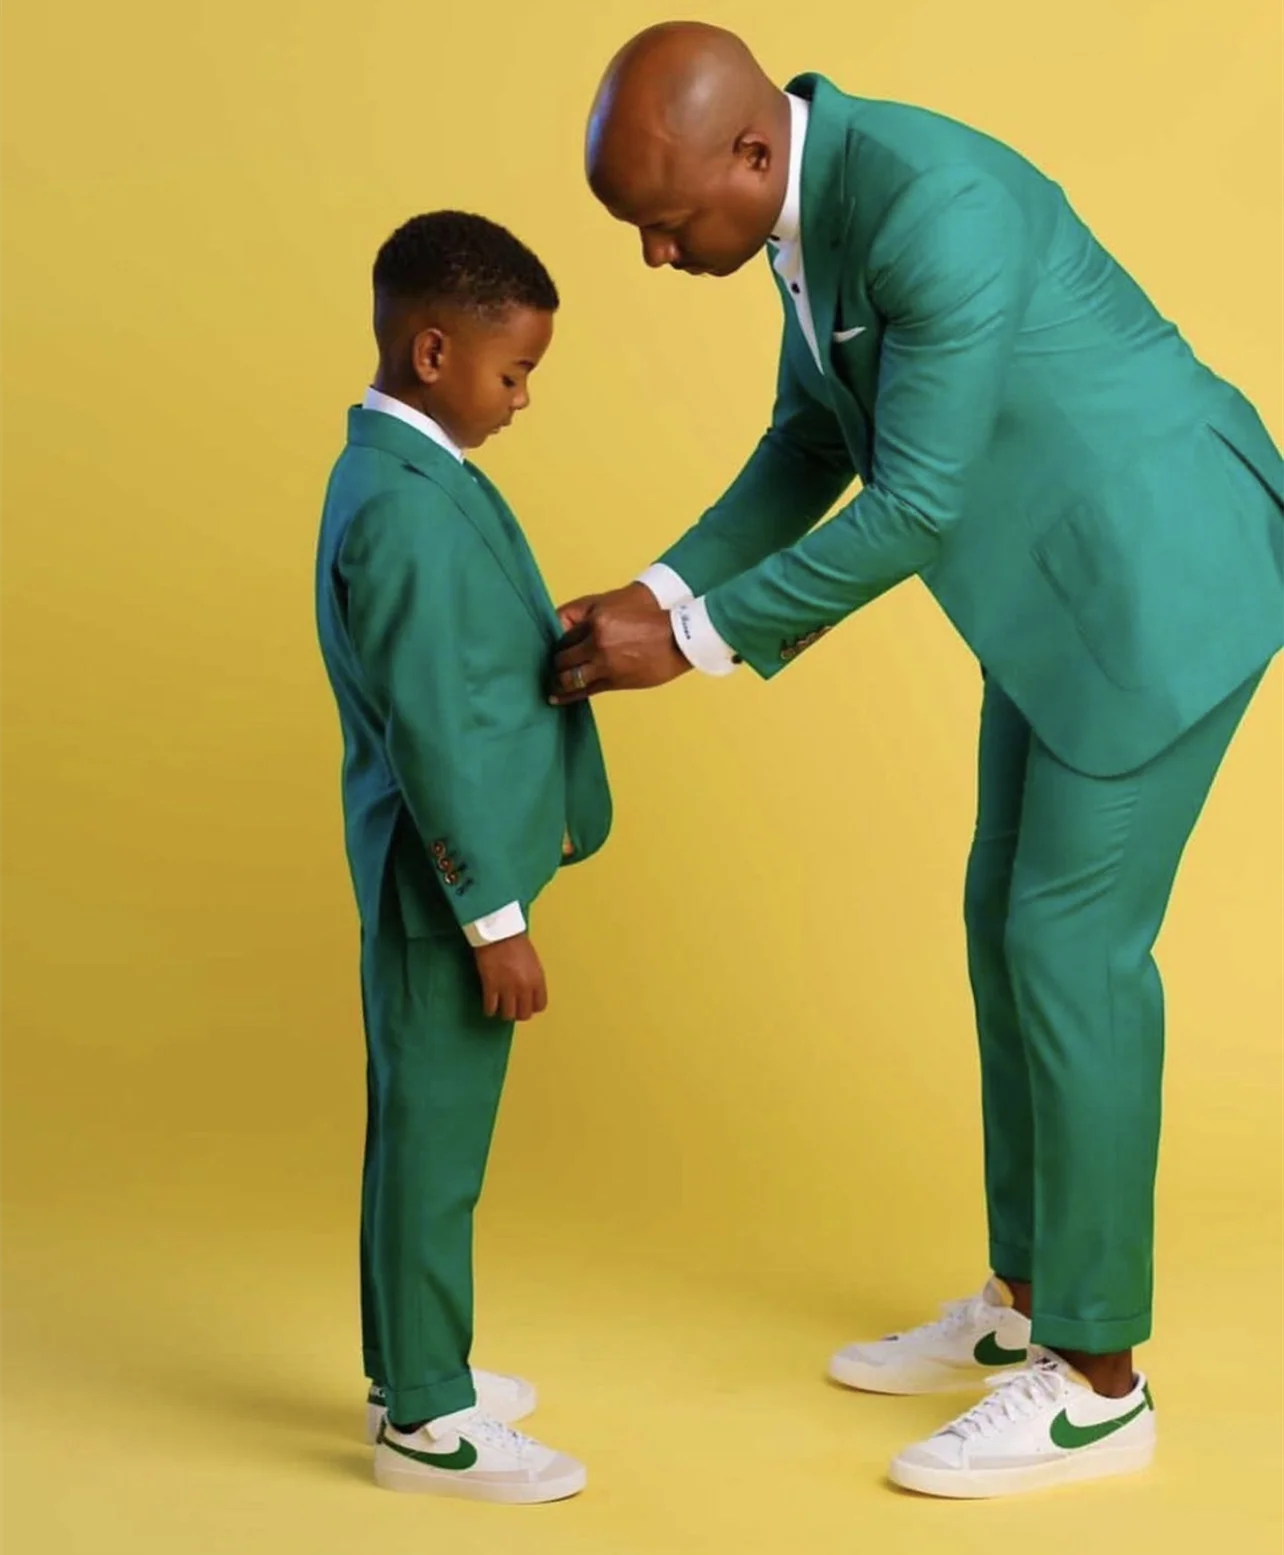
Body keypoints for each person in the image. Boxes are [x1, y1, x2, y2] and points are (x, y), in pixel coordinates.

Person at [550, 23, 1284, 1499]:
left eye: (666, 222)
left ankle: (1098, 1382)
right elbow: (807, 444)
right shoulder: (811, 205)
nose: (654, 255)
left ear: (751, 153)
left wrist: (692, 643)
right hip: (1057, 598)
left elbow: (916, 505)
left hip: (1162, 582)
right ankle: (1028, 1299)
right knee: (1000, 922)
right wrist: (657, 588)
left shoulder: (930, 204)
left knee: (1071, 951)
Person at [315, 211, 612, 1502]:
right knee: (436, 1150)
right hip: (440, 890)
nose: (524, 397)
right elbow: (427, 730)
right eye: (515, 371)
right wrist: (495, 921)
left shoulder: (407, 468)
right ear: (433, 352)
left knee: (422, 1134)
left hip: (442, 879)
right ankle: (429, 1425)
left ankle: (410, 1370)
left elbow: (456, 663)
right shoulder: (399, 506)